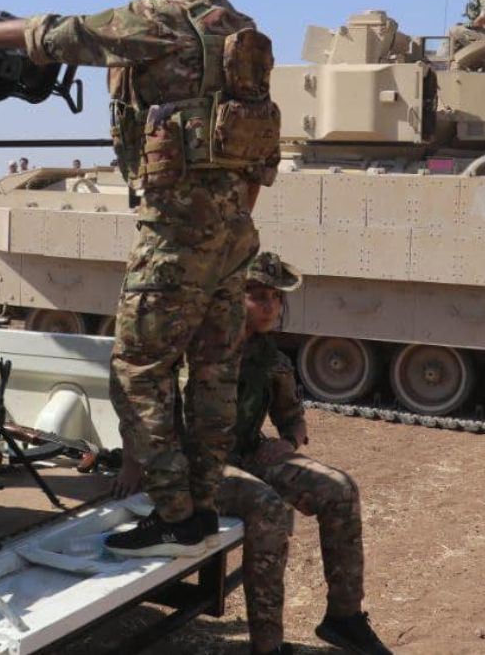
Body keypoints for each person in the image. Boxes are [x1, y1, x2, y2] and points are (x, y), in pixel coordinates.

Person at [0, 0, 280, 554]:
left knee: (138, 373)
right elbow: (254, 150)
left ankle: (174, 513)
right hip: (235, 235)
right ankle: (199, 499)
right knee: (215, 374)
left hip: (175, 239)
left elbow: (59, 34)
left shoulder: (160, 21)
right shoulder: (238, 30)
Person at [113, 252, 390, 655]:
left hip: (245, 455)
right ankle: (267, 646)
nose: (271, 306)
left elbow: (292, 419)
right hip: (192, 467)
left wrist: (289, 443)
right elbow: (141, 404)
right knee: (269, 508)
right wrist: (131, 464)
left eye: (276, 298)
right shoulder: (196, 346)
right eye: (258, 295)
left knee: (341, 489)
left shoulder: (268, 357)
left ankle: (343, 618)